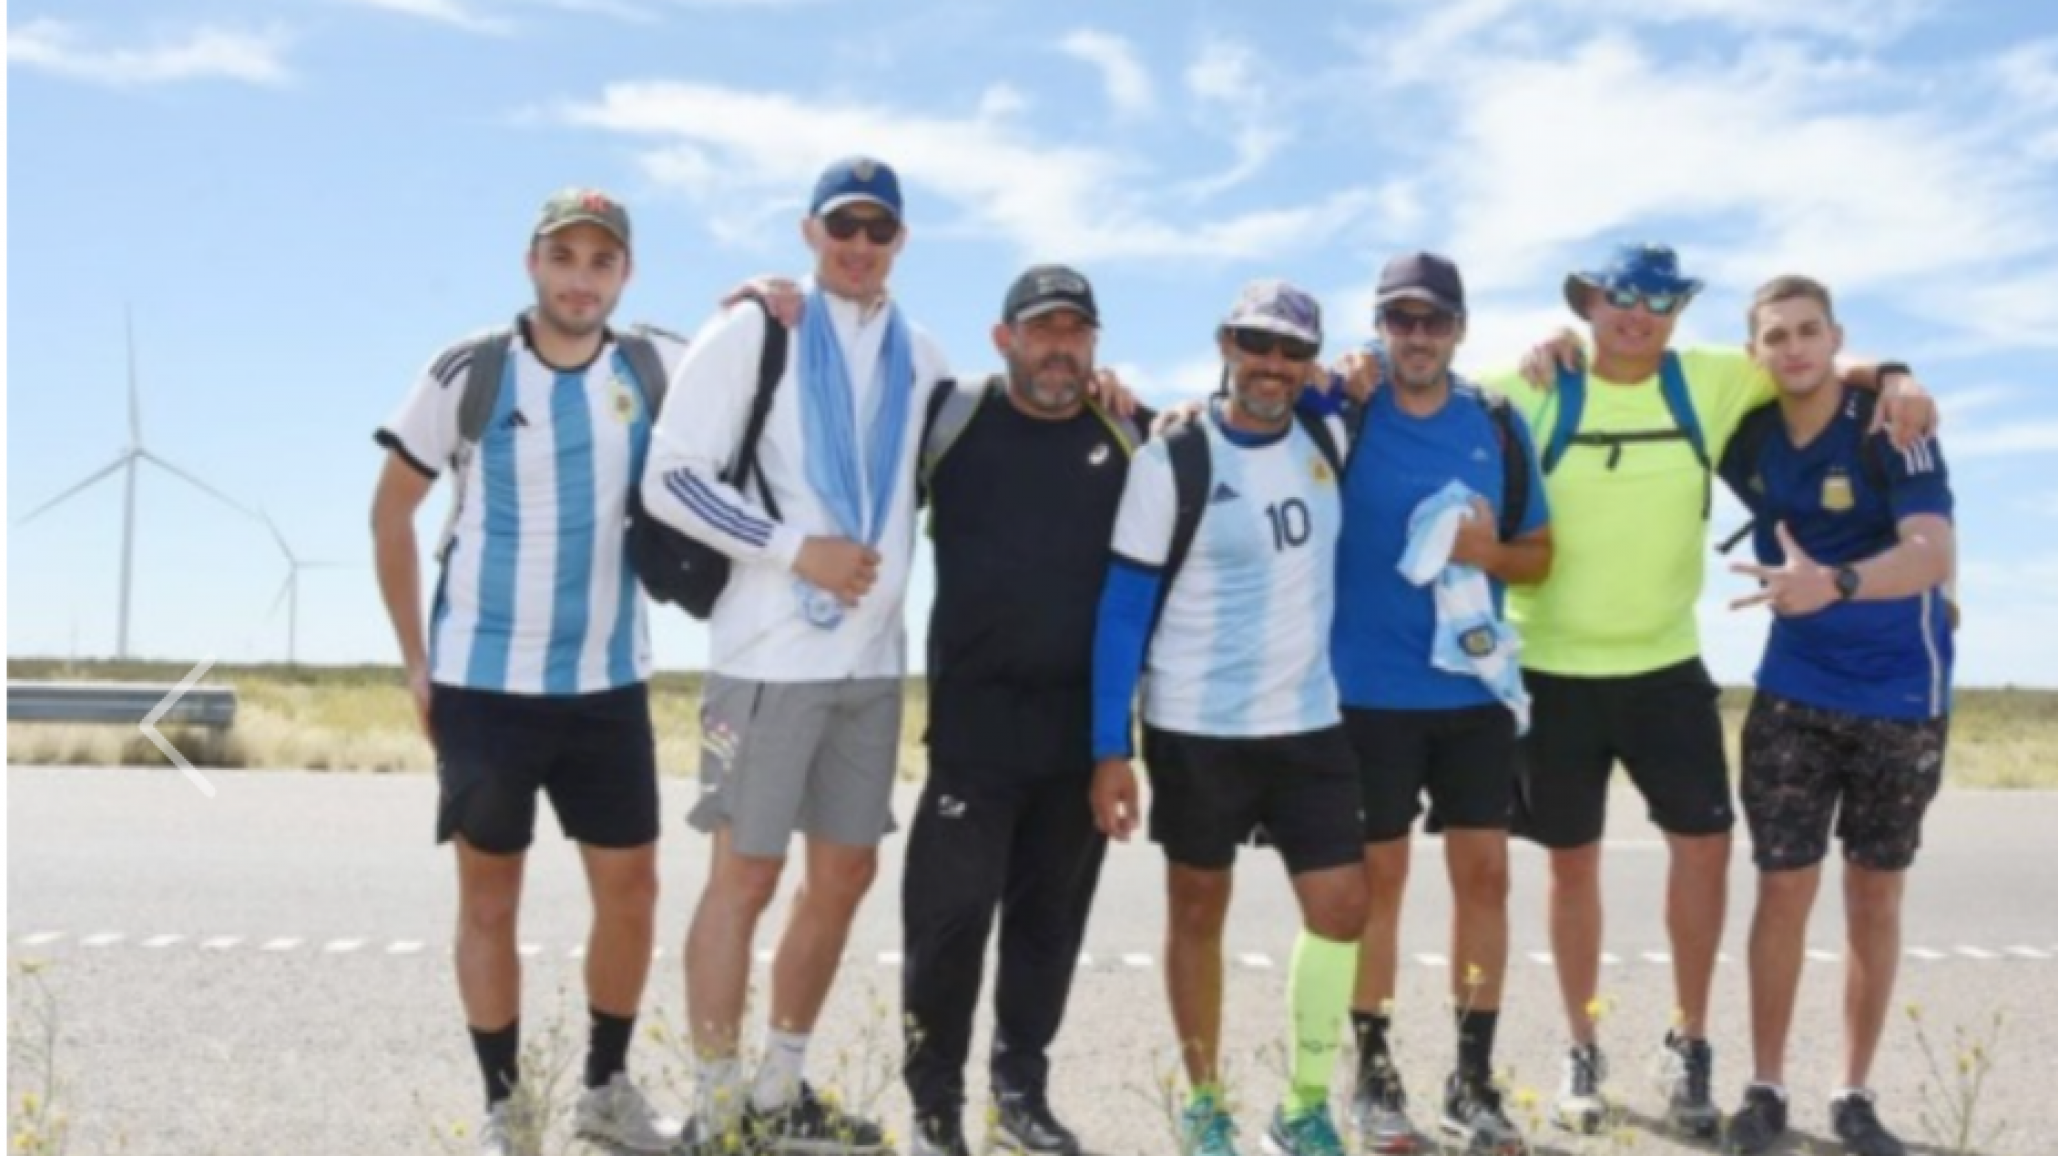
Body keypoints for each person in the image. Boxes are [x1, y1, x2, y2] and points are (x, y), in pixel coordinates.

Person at [1482, 243, 1937, 1137]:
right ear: (1588, 304)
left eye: (1658, 300)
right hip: (1550, 668)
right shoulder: (1531, 385)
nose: (1636, 313)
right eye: (1618, 297)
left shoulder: (1712, 381)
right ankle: (1583, 1049)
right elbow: (1426, 399)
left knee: (1704, 850)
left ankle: (1690, 1044)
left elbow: (1807, 359)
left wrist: (1899, 375)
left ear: (1679, 314)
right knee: (1570, 864)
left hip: (1665, 666)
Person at [639, 155, 951, 1153]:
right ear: (810, 232)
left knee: (847, 874)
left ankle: (778, 1090)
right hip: (768, 659)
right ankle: (718, 1107)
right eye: (842, 227)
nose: (860, 246)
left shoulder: (924, 355)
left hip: (869, 669)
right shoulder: (755, 330)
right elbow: (669, 479)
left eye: (879, 229)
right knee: (746, 877)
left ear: (900, 240)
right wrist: (794, 552)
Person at [370, 187, 683, 1156]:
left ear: (623, 274)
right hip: (482, 687)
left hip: (606, 684)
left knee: (632, 890)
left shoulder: (654, 362)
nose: (580, 278)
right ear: (532, 264)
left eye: (600, 261)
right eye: (564, 258)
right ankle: (509, 1106)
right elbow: (391, 515)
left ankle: (606, 1087)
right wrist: (418, 666)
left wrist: (769, 292)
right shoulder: (469, 369)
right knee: (490, 900)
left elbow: (760, 366)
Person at [1092, 280, 1367, 1156]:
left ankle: (1304, 1106)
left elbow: (1393, 366)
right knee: (1198, 911)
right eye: (1257, 344)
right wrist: (1111, 748)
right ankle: (1207, 1104)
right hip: (1196, 726)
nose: (1273, 365)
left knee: (1342, 909)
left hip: (1309, 723)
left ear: (1310, 363)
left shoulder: (1329, 430)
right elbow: (1122, 614)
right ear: (1225, 344)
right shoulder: (1171, 460)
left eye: (1292, 351)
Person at [902, 266, 1145, 1156]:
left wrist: (1118, 744)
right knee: (949, 926)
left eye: (1077, 332)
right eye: (1043, 330)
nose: (1060, 349)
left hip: (1078, 738)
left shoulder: (1126, 432)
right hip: (971, 733)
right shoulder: (951, 420)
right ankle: (935, 1111)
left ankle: (1020, 1094)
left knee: (1047, 931)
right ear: (1004, 337)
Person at [1716, 276, 1955, 1156]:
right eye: (1775, 336)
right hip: (1793, 693)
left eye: (1810, 332)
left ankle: (1854, 1095)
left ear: (1835, 335)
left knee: (1873, 893)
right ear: (1757, 353)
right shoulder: (1745, 437)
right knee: (1782, 886)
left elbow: (1933, 555)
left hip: (1901, 696)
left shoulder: (1893, 426)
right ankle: (1766, 1086)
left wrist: (1837, 583)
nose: (1794, 349)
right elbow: (1647, 375)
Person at [1329, 253, 1548, 1156]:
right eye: (1400, 320)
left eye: (1433, 321)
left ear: (1459, 330)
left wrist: (1486, 553)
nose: (1416, 337)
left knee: (1485, 879)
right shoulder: (1347, 409)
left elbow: (1540, 554)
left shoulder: (1494, 423)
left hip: (1472, 695)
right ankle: (1375, 1077)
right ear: (1380, 326)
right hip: (1368, 694)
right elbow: (1246, 416)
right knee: (1380, 885)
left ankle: (1472, 1078)